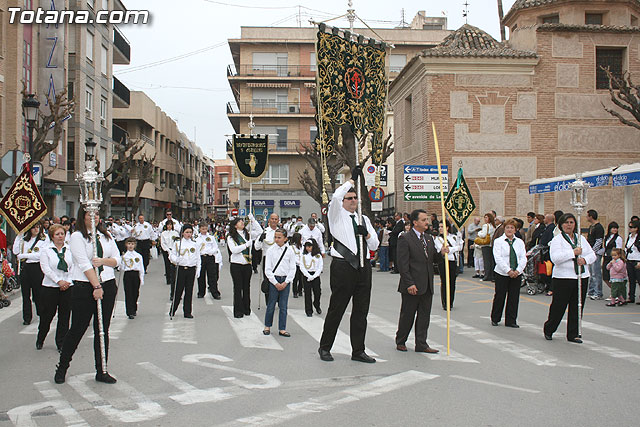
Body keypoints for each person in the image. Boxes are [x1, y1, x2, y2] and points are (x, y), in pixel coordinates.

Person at [318, 167, 379, 363]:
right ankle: (325, 347)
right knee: (337, 309)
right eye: (349, 198)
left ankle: (358, 351)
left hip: (363, 267)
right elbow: (336, 196)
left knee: (361, 311)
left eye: (355, 198)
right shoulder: (336, 214)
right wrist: (352, 180)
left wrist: (367, 234)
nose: (353, 200)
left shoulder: (364, 219)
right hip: (343, 266)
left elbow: (375, 244)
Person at [55, 206, 121, 384]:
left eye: (97, 214)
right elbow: (84, 264)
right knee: (78, 328)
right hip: (85, 287)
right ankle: (62, 367)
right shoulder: (77, 237)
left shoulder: (105, 236)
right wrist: (96, 285)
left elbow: (117, 259)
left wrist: (103, 261)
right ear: (82, 216)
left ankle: (102, 370)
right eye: (90, 214)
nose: (94, 217)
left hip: (107, 283)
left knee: (102, 330)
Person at [543, 213, 595, 344]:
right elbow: (555, 258)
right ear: (561, 225)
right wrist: (573, 253)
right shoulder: (557, 240)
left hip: (580, 276)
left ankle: (573, 333)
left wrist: (584, 259)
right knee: (558, 306)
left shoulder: (580, 238)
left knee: (577, 306)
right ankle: (549, 329)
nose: (569, 225)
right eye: (566, 223)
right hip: (563, 277)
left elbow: (592, 255)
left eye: (571, 222)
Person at [395, 209, 438, 353]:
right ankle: (401, 340)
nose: (427, 222)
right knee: (408, 314)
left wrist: (443, 254)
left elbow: (432, 259)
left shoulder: (429, 238)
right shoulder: (405, 238)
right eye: (424, 220)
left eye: (427, 219)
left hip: (426, 283)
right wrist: (409, 283)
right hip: (412, 284)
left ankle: (421, 343)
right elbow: (403, 264)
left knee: (424, 315)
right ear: (415, 222)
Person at [37, 224, 73, 351]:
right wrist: (58, 281)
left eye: (62, 234)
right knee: (47, 315)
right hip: (50, 286)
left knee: (64, 316)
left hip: (67, 287)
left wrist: (67, 281)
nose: (60, 236)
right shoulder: (46, 250)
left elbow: (73, 267)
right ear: (52, 236)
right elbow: (45, 268)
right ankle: (41, 337)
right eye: (57, 234)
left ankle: (61, 342)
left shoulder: (69, 250)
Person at [490, 219, 527, 327]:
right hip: (502, 273)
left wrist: (518, 270)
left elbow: (523, 257)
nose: (509, 230)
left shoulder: (519, 242)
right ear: (504, 229)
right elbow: (498, 258)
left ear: (515, 230)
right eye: (507, 227)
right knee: (500, 295)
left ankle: (511, 320)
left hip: (516, 273)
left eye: (512, 228)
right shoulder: (499, 241)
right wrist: (508, 270)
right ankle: (495, 318)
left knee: (514, 297)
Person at [263, 228, 297, 337]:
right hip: (274, 280)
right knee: (271, 304)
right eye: (275, 237)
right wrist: (275, 282)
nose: (277, 240)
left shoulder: (290, 251)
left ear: (285, 238)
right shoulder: (270, 250)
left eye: (279, 237)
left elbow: (292, 268)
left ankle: (282, 328)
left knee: (283, 306)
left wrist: (286, 282)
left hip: (285, 280)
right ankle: (267, 326)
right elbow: (267, 269)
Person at [227, 215, 262, 318]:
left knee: (246, 287)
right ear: (234, 225)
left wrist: (253, 220)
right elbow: (234, 250)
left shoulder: (248, 235)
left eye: (243, 221)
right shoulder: (231, 237)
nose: (242, 222)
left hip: (247, 265)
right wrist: (247, 245)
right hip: (236, 265)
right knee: (238, 288)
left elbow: (260, 232)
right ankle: (238, 310)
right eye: (239, 221)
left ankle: (246, 308)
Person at [14, 222, 48, 325]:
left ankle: (41, 314)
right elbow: (16, 251)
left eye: (37, 227)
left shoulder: (44, 238)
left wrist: (25, 255)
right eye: (33, 228)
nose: (36, 230)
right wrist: (19, 235)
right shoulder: (23, 239)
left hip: (37, 267)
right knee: (25, 294)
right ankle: (27, 317)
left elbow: (40, 255)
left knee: (38, 293)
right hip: (26, 267)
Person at [168, 224, 200, 318]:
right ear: (182, 233)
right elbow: (172, 255)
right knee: (178, 290)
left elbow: (198, 258)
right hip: (181, 269)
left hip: (191, 269)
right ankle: (173, 310)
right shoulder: (178, 243)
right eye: (187, 232)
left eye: (190, 232)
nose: (188, 234)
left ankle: (187, 312)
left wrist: (198, 269)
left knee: (189, 291)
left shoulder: (194, 244)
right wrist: (175, 259)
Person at [434, 221, 463, 310]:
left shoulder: (454, 237)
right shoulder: (438, 239)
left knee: (452, 282)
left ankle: (451, 302)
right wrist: (452, 249)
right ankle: (445, 302)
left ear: (447, 227)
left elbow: (459, 247)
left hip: (453, 262)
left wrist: (451, 249)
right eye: (439, 227)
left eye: (442, 226)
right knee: (445, 282)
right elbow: (441, 249)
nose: (440, 228)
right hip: (443, 262)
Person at [196, 223, 221, 299]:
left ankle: (215, 292)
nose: (204, 230)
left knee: (212, 276)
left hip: (210, 257)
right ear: (199, 229)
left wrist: (210, 252)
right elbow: (196, 249)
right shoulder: (197, 239)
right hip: (201, 257)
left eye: (205, 228)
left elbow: (215, 247)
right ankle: (201, 292)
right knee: (201, 275)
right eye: (202, 228)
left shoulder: (211, 237)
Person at [121, 237, 144, 319]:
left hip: (135, 274)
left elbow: (141, 268)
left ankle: (134, 308)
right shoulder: (124, 256)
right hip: (128, 274)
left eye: (132, 244)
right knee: (128, 293)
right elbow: (122, 268)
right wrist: (122, 260)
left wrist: (142, 278)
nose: (131, 246)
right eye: (129, 244)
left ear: (135, 245)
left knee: (135, 292)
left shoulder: (138, 256)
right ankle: (129, 311)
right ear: (126, 245)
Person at [300, 239, 323, 317]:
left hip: (315, 275)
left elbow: (320, 267)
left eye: (309, 246)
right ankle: (308, 310)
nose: (307, 248)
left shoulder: (318, 256)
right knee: (307, 293)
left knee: (317, 292)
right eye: (306, 246)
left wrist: (314, 276)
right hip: (307, 275)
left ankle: (317, 304)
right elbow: (302, 266)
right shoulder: (303, 256)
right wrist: (308, 276)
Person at [586, 210, 605, 300]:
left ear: (591, 216)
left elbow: (599, 241)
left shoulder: (598, 227)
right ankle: (591, 290)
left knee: (596, 273)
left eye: (587, 216)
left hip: (595, 253)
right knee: (591, 272)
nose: (586, 217)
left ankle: (598, 292)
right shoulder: (591, 227)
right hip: (590, 252)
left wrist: (593, 251)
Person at [602, 222, 623, 294]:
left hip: (613, 258)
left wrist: (615, 259)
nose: (615, 229)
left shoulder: (618, 238)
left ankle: (615, 293)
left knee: (613, 276)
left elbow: (618, 249)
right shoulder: (607, 237)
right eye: (613, 228)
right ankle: (614, 291)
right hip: (606, 256)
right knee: (605, 277)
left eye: (616, 228)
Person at [477, 213, 496, 282]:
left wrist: (479, 233)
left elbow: (483, 235)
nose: (485, 219)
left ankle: (487, 276)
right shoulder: (494, 226)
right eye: (484, 217)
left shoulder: (486, 226)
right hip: (491, 244)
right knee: (491, 261)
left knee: (486, 261)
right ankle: (491, 275)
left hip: (486, 244)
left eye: (486, 217)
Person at [625, 220, 640, 304]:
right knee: (631, 279)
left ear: (637, 228)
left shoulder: (638, 238)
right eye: (629, 227)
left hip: (637, 259)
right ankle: (631, 296)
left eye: (632, 227)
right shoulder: (630, 236)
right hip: (630, 259)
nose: (630, 229)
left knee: (639, 279)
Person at [160, 221, 179, 286]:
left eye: (170, 225)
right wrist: (167, 250)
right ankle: (168, 279)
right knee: (167, 264)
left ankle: (173, 278)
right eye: (168, 225)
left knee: (173, 264)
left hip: (174, 250)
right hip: (166, 250)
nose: (169, 226)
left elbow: (177, 242)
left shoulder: (175, 233)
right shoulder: (163, 233)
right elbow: (163, 243)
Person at [288, 233, 303, 298]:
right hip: (295, 265)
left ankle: (300, 290)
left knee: (301, 279)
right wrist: (297, 262)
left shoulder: (302, 247)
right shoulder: (291, 247)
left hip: (302, 265)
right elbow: (292, 257)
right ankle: (295, 292)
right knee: (295, 279)